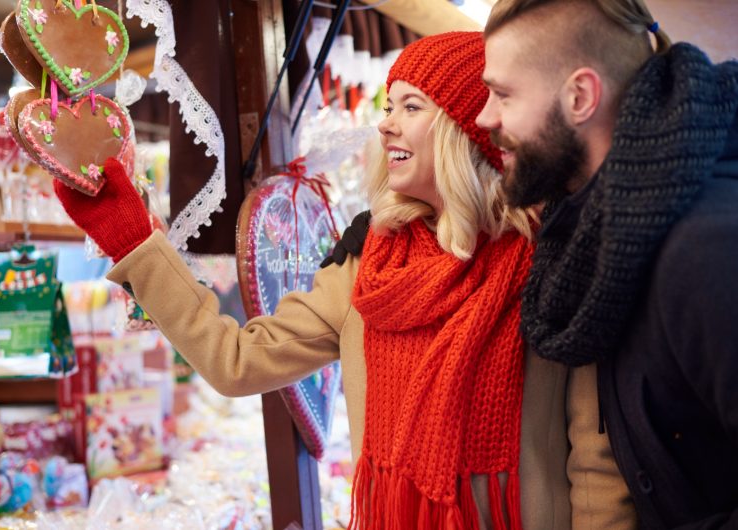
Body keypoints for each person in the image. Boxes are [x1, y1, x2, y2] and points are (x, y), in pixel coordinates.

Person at [53, 32, 594, 529]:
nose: (385, 124)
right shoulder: (370, 261)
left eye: (412, 106)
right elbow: (236, 361)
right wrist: (136, 243)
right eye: (388, 106)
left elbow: (596, 456)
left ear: (467, 127)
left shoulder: (550, 257)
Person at [475, 1, 738, 528]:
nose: (485, 117)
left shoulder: (705, 249)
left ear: (580, 96)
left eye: (503, 94)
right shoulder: (599, 234)